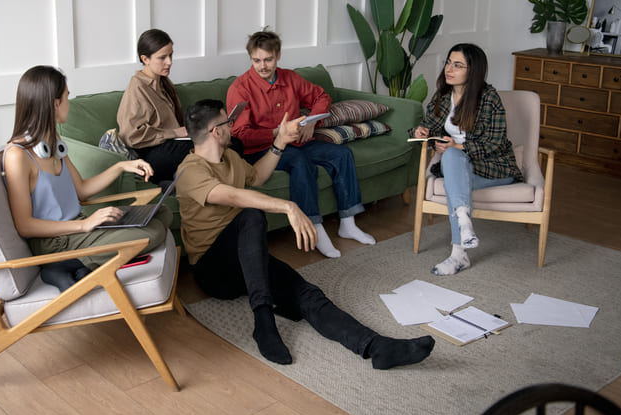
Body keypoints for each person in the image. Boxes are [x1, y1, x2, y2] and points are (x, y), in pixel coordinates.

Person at [175, 99, 435, 368]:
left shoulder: (229, 157)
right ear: (216, 131)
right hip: (213, 270)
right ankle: (264, 322)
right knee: (251, 215)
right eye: (227, 122)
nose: (232, 126)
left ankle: (375, 346)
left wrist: (280, 143)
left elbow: (257, 177)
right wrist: (288, 206)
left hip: (245, 258)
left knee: (307, 293)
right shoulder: (189, 170)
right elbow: (231, 196)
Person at [4, 65, 171, 290]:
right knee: (153, 232)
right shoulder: (17, 155)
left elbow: (81, 190)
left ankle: (80, 267)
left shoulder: (53, 141)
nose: (68, 103)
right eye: (66, 97)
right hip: (56, 243)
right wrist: (84, 225)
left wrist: (121, 166)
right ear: (55, 104)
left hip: (78, 227)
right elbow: (25, 225)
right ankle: (68, 266)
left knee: (162, 213)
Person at [227, 30, 374, 259]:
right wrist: (278, 133)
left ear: (278, 56)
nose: (262, 66)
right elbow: (240, 135)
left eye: (268, 59)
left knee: (342, 154)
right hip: (263, 151)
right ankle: (314, 228)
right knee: (300, 162)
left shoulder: (290, 78)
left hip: (298, 142)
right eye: (256, 60)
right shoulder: (240, 88)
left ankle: (348, 223)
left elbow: (321, 97)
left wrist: (311, 123)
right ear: (250, 59)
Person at [411, 43, 522, 276]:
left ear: (473, 70)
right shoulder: (443, 95)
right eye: (448, 63)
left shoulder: (489, 98)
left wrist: (458, 145)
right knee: (451, 156)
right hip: (459, 167)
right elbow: (429, 125)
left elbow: (495, 142)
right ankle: (462, 227)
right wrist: (419, 131)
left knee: (453, 162)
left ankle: (459, 250)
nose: (449, 69)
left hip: (493, 169)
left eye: (458, 65)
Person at [118, 28, 243, 185]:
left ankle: (203, 182)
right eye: (162, 57)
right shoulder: (137, 87)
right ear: (145, 59)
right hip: (154, 154)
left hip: (175, 143)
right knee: (221, 146)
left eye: (171, 55)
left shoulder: (163, 82)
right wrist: (174, 132)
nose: (169, 62)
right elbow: (131, 136)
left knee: (235, 143)